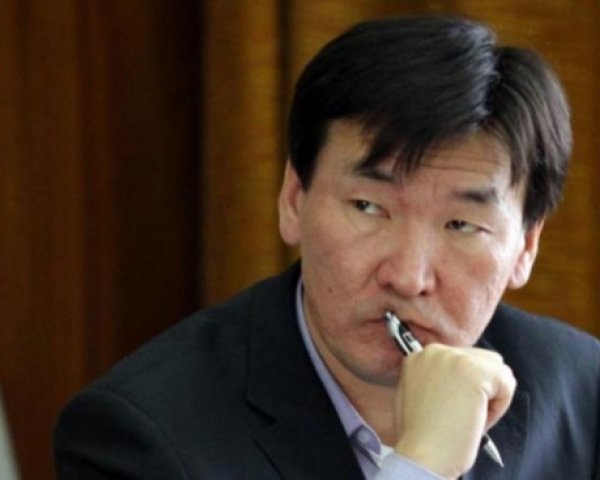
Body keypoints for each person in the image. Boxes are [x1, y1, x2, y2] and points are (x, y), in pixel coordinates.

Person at [53, 15, 600, 480]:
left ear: (526, 247)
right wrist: (422, 465)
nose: (408, 277)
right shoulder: (141, 438)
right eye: (369, 207)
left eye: (461, 224)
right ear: (294, 200)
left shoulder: (586, 392)